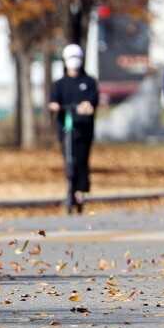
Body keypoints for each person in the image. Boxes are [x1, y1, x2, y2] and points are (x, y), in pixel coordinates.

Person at [48, 43, 99, 208]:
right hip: (66, 128)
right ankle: (70, 186)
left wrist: (87, 107)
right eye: (70, 58)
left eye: (76, 58)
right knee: (69, 159)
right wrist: (55, 106)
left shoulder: (88, 81)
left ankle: (81, 191)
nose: (74, 61)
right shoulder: (60, 84)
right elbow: (53, 102)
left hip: (84, 128)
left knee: (82, 160)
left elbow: (93, 102)